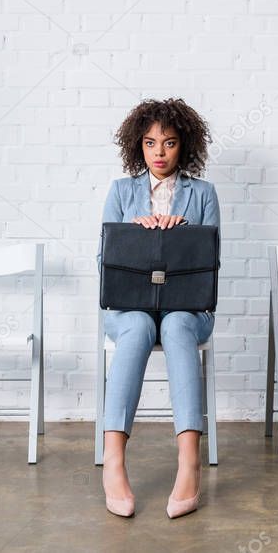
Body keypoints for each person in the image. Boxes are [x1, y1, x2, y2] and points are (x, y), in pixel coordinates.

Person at [97, 97, 219, 519]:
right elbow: (105, 262)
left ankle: (189, 462)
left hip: (187, 307)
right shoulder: (120, 191)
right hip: (129, 306)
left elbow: (209, 262)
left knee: (178, 326)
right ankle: (113, 462)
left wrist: (180, 234)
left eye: (168, 143)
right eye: (150, 144)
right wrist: (137, 236)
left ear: (184, 145)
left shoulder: (203, 194)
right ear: (139, 146)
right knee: (135, 329)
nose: (160, 153)